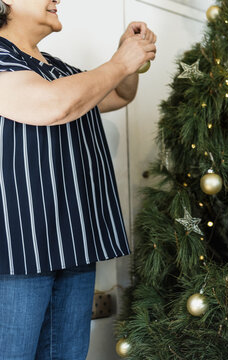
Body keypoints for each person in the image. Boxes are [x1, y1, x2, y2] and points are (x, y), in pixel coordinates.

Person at [0, 0, 156, 358]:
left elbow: (117, 93)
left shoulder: (55, 68)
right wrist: (119, 63)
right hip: (18, 253)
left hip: (73, 244)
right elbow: (53, 105)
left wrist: (127, 63)